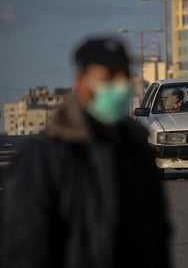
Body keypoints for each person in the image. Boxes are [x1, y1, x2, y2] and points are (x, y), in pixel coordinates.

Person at [3, 37, 171, 268]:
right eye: (108, 77)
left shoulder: (137, 148)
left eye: (124, 75)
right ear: (81, 82)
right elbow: (26, 247)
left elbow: (158, 232)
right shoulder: (44, 156)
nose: (121, 86)